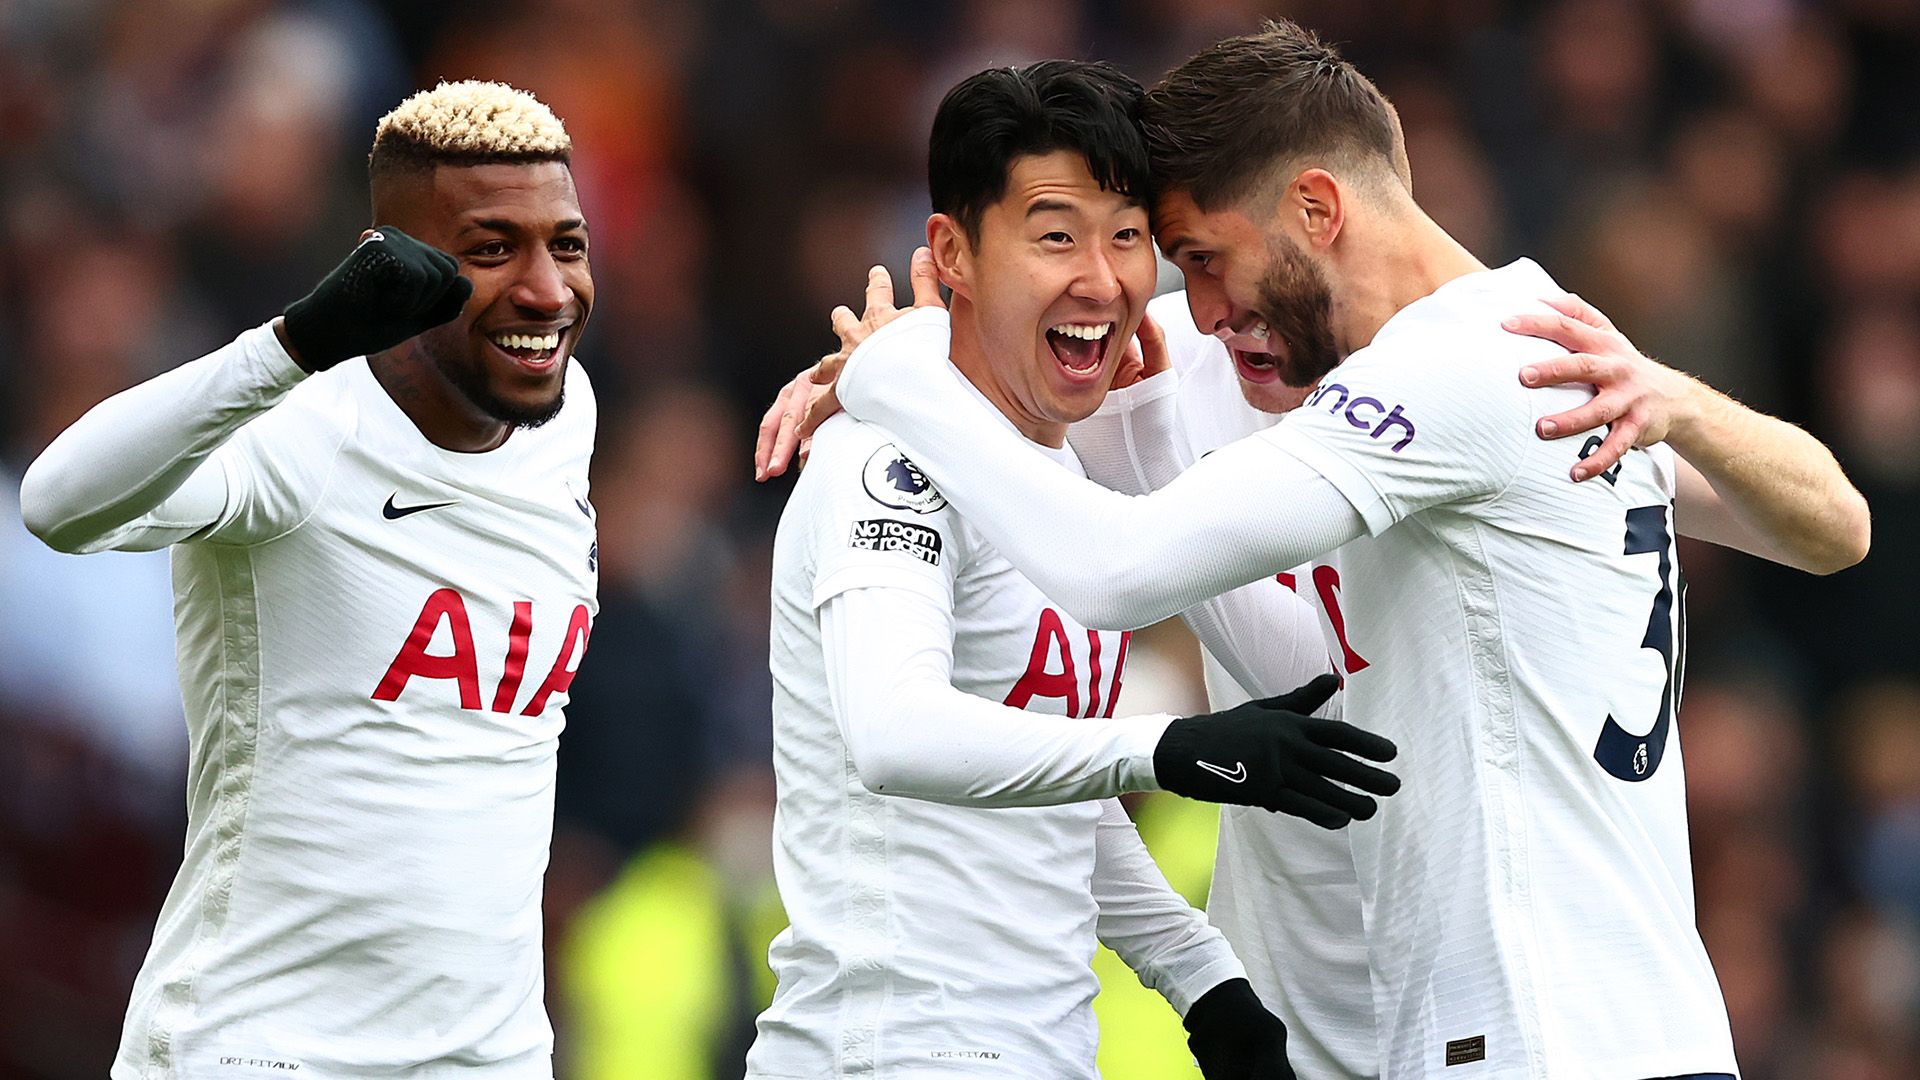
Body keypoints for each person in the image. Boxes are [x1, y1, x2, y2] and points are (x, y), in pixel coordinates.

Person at [775, 21, 1871, 1080]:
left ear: (1315, 206)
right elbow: (1837, 526)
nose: (1193, 306)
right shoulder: (1555, 348)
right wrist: (1677, 399)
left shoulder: (1433, 377)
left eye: (1198, 260)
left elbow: (1121, 573)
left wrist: (900, 375)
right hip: (1629, 1028)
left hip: (1527, 1033)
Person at [749, 60, 1406, 1080]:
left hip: (1041, 1051)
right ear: (952, 253)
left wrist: (1203, 981)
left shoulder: (1057, 485)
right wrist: (1171, 748)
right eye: (1056, 234)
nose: (1101, 277)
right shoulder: (886, 461)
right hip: (890, 1049)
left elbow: (1046, 778)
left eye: (1128, 236)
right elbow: (893, 729)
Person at [20, 81, 599, 1077]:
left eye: (569, 244)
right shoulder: (300, 432)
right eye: (495, 248)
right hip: (263, 1049)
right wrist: (292, 347)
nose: (548, 288)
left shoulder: (565, 411)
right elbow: (58, 501)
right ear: (403, 268)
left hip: (489, 1057)